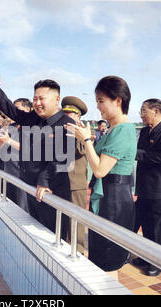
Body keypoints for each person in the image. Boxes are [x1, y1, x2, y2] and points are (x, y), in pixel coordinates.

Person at [0, 79, 79, 239]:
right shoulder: (33, 119)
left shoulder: (67, 124)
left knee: (51, 237)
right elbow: (10, 109)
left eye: (41, 98)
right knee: (33, 235)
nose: (37, 103)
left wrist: (44, 181)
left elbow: (62, 158)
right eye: (35, 98)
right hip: (31, 188)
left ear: (57, 99)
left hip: (52, 192)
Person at [67, 76, 137, 279]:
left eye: (101, 101)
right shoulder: (113, 129)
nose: (98, 106)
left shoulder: (123, 130)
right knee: (101, 254)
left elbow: (99, 170)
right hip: (108, 195)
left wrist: (87, 139)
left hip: (115, 199)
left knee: (108, 257)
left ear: (118, 100)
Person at [134, 98, 161, 276]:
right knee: (146, 224)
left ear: (156, 112)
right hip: (144, 186)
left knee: (160, 227)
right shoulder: (144, 132)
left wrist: (133, 152)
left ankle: (159, 263)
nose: (142, 115)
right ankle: (146, 257)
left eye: (144, 111)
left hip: (160, 188)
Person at [62, 96, 89, 252]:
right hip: (60, 182)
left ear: (78, 117)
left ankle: (77, 251)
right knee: (63, 218)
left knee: (76, 221)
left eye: (71, 114)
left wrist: (77, 133)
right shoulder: (60, 130)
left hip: (75, 184)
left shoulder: (82, 133)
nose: (67, 117)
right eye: (65, 114)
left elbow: (80, 150)